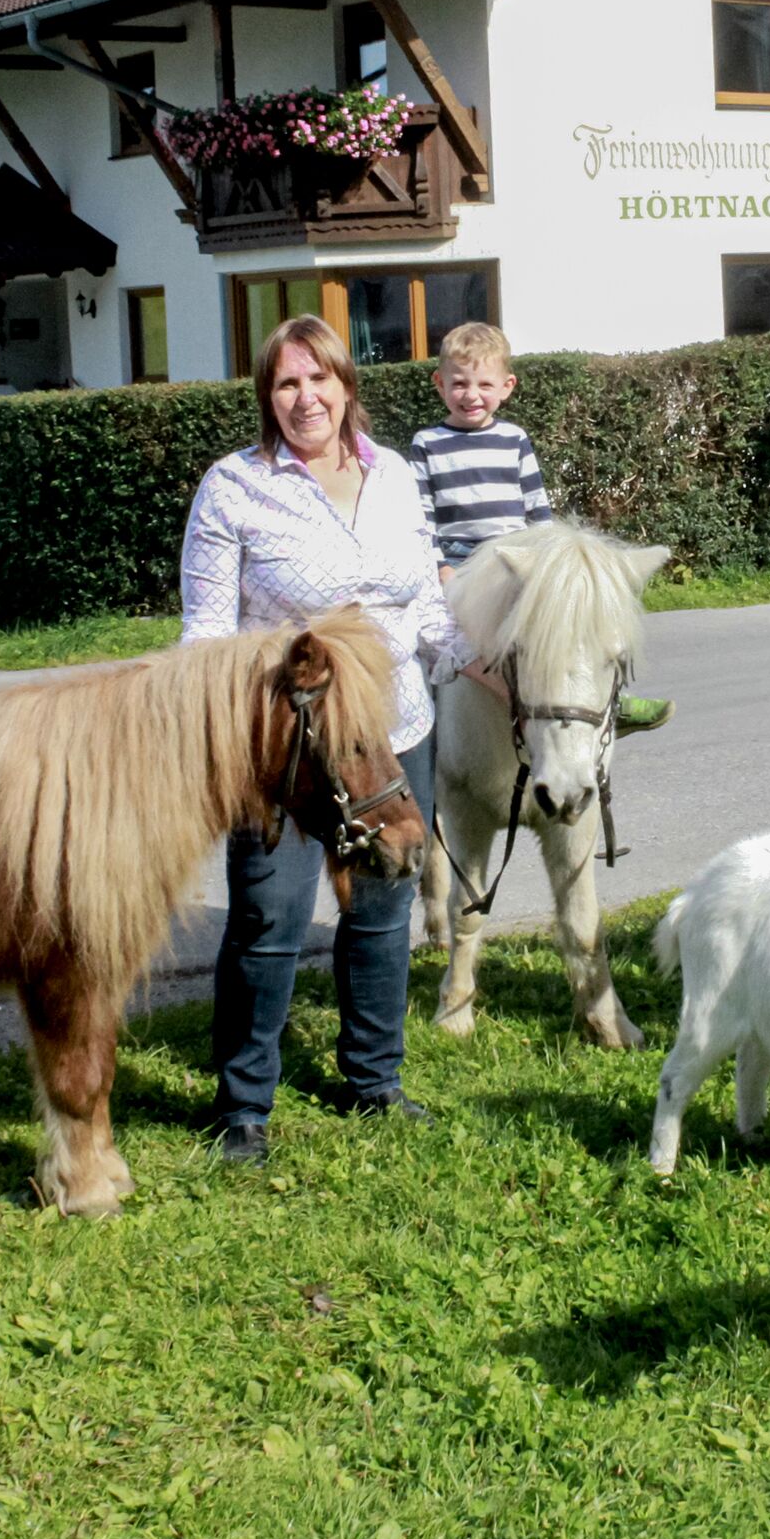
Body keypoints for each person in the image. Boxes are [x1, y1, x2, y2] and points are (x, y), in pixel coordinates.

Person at [180, 315, 482, 1164]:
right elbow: (205, 636)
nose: (305, 399)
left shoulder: (393, 477)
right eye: (286, 384)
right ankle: (243, 1105)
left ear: (348, 386)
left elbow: (424, 607)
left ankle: (373, 1082)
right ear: (266, 398)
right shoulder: (235, 486)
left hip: (395, 730)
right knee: (270, 917)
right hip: (286, 748)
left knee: (383, 904)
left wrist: (489, 667)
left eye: (319, 380)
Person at [407, 320, 672, 734]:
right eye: (459, 384)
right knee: (439, 636)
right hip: (457, 563)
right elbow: (422, 519)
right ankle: (427, 725)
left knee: (569, 627)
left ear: (507, 386)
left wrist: (551, 565)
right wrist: (440, 567)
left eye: (484, 384)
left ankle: (609, 703)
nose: (471, 395)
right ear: (439, 384)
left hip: (517, 560)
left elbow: (537, 509)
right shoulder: (427, 443)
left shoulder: (514, 440)